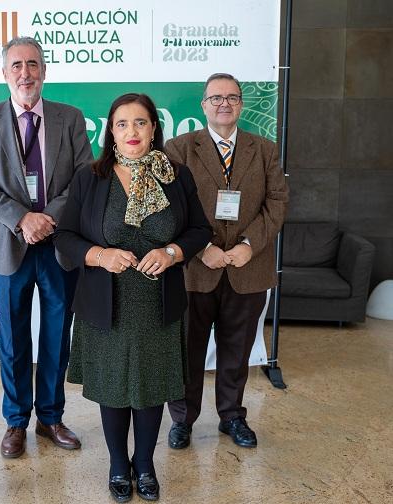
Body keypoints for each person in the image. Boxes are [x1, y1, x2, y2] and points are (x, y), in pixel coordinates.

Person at [53, 93, 212, 502]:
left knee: (150, 387)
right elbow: (66, 237)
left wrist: (172, 252)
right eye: (122, 124)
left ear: (154, 128)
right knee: (112, 388)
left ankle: (145, 463)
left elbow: (199, 230)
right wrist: (100, 255)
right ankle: (118, 465)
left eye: (140, 122)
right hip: (106, 303)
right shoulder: (91, 176)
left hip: (159, 302)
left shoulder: (176, 174)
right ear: (111, 131)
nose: (132, 132)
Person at [0, 36, 93, 459]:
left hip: (59, 243)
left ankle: (51, 416)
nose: (26, 73)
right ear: (4, 74)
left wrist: (47, 218)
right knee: (12, 338)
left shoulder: (70, 118)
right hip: (9, 245)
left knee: (57, 336)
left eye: (33, 64)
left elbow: (83, 178)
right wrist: (22, 218)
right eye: (17, 66)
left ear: (44, 70)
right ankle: (15, 421)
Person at [165, 73, 288, 450]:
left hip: (247, 268)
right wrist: (201, 248)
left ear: (241, 104)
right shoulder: (179, 148)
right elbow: (169, 206)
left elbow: (277, 202)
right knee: (187, 350)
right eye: (216, 97)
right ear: (203, 105)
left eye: (232, 97)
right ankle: (183, 420)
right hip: (194, 269)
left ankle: (232, 416)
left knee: (237, 350)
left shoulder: (264, 149)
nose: (224, 103)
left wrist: (250, 244)